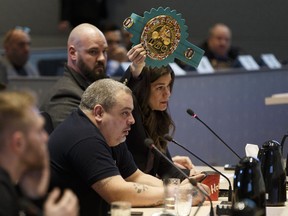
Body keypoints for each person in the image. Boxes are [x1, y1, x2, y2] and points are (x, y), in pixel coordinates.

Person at [48, 78, 209, 216]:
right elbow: (118, 193)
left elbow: (136, 176)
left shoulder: (109, 133)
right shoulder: (83, 137)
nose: (132, 120)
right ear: (98, 113)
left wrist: (181, 188)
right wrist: (177, 193)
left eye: (131, 113)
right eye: (125, 113)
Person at [40, 23, 145, 129]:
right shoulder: (65, 95)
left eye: (104, 51)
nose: (102, 58)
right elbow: (80, 142)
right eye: (93, 52)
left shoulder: (94, 84)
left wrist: (134, 71)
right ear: (73, 53)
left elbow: (116, 98)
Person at [0, 90, 78, 216]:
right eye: (39, 131)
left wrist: (35, 197)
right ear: (18, 143)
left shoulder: (12, 186)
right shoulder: (2, 196)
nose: (46, 137)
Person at [122, 65, 199, 181]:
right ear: (143, 89)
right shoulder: (131, 116)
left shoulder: (155, 117)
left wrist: (191, 176)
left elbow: (166, 168)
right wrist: (133, 69)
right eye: (160, 88)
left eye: (168, 86)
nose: (167, 93)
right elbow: (123, 91)